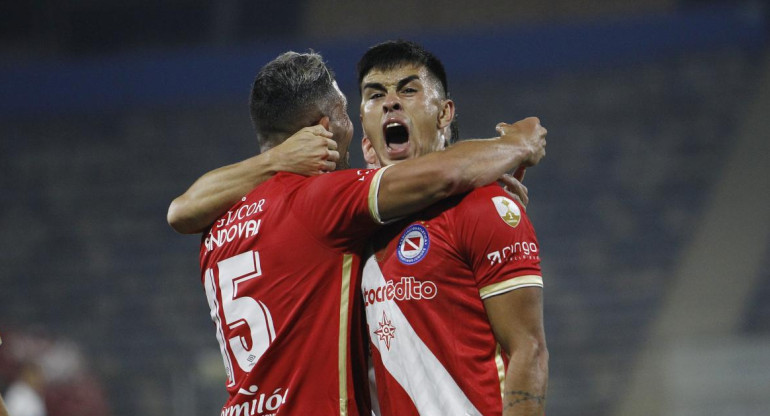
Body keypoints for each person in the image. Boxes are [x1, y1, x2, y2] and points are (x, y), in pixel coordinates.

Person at [169, 50, 546, 416]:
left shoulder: (217, 223)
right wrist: (509, 147)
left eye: (407, 91)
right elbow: (441, 174)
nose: (387, 106)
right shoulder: (324, 206)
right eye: (351, 110)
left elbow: (179, 210)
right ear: (322, 131)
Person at [357, 40, 547, 416]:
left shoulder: (484, 207)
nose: (390, 102)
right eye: (375, 95)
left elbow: (528, 349)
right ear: (365, 136)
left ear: (444, 113)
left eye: (409, 90)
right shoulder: (352, 233)